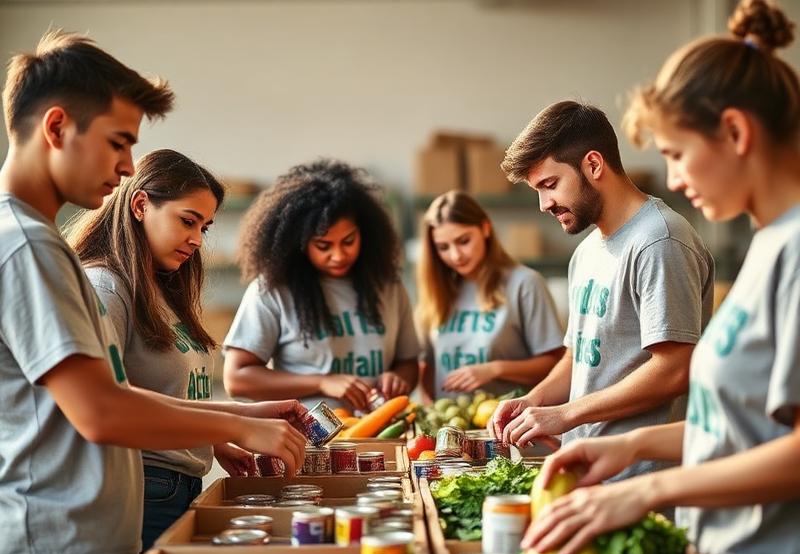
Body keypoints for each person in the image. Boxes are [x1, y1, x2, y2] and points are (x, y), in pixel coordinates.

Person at [0, 30, 305, 554]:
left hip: (85, 541)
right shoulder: (31, 248)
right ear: (58, 127)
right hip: (62, 545)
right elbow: (100, 411)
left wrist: (235, 417)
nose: (125, 168)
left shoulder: (41, 245)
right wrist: (239, 423)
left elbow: (112, 392)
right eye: (118, 143)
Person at [523, 1, 800, 554]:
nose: (672, 179)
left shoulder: (791, 250)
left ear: (735, 132)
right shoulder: (769, 245)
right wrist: (629, 447)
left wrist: (647, 487)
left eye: (676, 153)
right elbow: (738, 429)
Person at [64, 148, 294, 552]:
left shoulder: (160, 288)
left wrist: (214, 438)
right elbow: (106, 405)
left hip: (176, 484)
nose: (196, 239)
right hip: (142, 486)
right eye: (188, 221)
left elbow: (170, 394)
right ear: (140, 205)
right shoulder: (105, 286)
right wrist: (235, 424)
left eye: (204, 227)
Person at [489, 100, 715, 483]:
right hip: (590, 472)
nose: (544, 204)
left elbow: (675, 370)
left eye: (549, 184)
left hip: (645, 481)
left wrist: (566, 414)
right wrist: (536, 399)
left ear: (593, 165)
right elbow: (580, 355)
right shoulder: (587, 252)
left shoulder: (659, 240)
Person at [223, 159, 420, 412]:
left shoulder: (389, 287)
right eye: (323, 246)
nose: (338, 255)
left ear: (365, 232)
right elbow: (237, 379)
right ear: (299, 243)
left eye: (348, 241)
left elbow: (409, 362)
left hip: (380, 436)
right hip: (309, 441)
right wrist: (323, 383)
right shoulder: (272, 291)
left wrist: (399, 379)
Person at [415, 189, 564, 402]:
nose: (455, 255)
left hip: (507, 427)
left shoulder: (525, 284)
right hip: (448, 425)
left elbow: (555, 364)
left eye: (463, 241)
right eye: (443, 247)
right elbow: (427, 367)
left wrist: (494, 369)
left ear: (485, 228)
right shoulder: (437, 290)